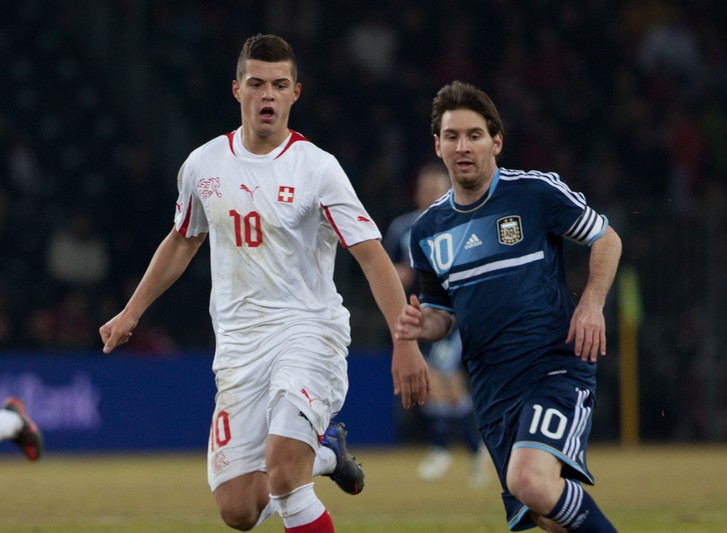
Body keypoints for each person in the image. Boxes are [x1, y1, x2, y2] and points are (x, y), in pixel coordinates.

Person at [99, 34, 428, 533]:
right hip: (238, 347)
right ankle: (325, 454)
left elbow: (370, 254)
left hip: (307, 334)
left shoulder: (319, 169)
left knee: (284, 477)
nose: (267, 95)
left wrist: (403, 341)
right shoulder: (203, 165)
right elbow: (183, 240)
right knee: (239, 510)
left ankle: (305, 460)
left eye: (279, 85)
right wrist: (131, 312)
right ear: (237, 90)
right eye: (256, 84)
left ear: (296, 92)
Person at [396, 81, 621, 532]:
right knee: (543, 511)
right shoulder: (427, 232)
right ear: (437, 146)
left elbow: (606, 238)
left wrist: (592, 303)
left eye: (475, 135)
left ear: (496, 141)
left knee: (530, 480)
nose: (463, 146)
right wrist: (423, 325)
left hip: (553, 368)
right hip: (493, 390)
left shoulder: (534, 193)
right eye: (453, 136)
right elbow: (443, 316)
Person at [383, 163, 487, 485]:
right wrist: (399, 275)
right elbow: (386, 269)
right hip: (415, 317)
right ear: (417, 193)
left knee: (441, 378)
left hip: (447, 316)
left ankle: (442, 449)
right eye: (426, 189)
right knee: (450, 385)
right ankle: (475, 450)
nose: (431, 194)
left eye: (437, 188)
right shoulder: (402, 228)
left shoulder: (461, 223)